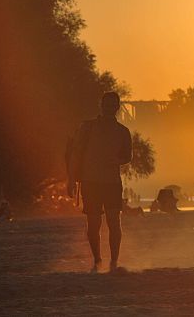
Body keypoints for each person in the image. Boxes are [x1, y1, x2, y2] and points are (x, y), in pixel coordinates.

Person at [68, 92, 132, 273]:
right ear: (101, 105)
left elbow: (128, 156)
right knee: (93, 223)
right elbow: (76, 154)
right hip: (90, 181)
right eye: (106, 104)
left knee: (114, 222)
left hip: (112, 182)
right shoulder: (87, 128)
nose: (109, 108)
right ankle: (97, 260)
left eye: (113, 105)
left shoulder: (123, 131)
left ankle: (114, 261)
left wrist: (116, 161)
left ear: (117, 107)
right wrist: (71, 180)